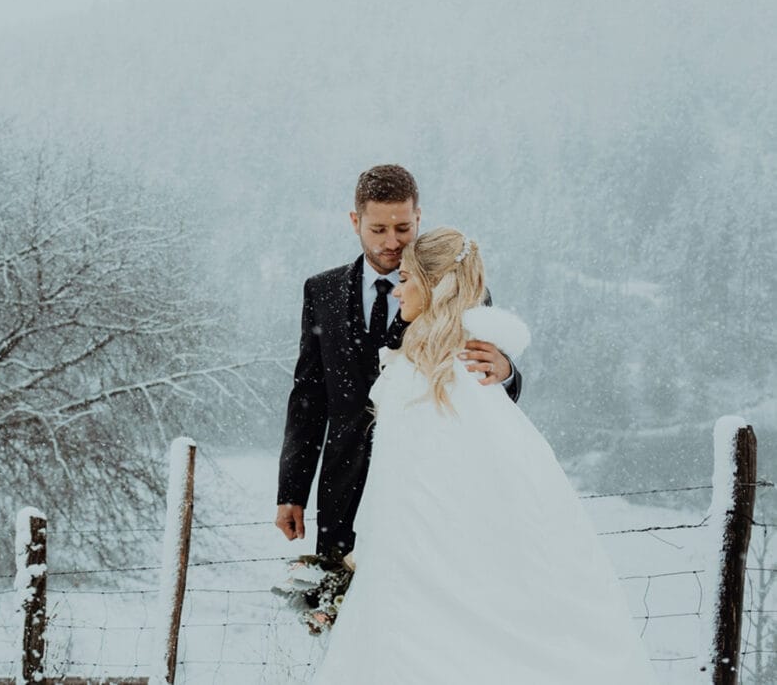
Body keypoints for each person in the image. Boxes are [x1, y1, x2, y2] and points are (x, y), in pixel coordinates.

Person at [313, 228, 658, 683]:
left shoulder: (459, 370)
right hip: (403, 544)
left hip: (429, 551)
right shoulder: (425, 359)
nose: (397, 290)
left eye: (407, 279)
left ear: (433, 285)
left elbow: (480, 466)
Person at [276, 165, 522, 559]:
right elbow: (309, 397)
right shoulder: (322, 292)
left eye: (403, 228)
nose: (392, 242)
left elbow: (483, 395)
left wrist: (505, 373)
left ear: (418, 217)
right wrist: (292, 490)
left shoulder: (459, 293)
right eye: (378, 229)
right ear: (355, 221)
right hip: (342, 494)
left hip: (425, 496)